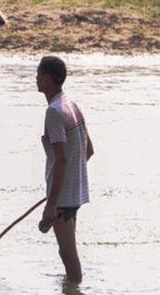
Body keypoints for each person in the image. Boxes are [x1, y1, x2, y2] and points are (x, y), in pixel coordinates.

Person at [35, 55, 94, 284]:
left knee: (68, 255)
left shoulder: (54, 112)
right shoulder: (71, 104)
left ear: (47, 79)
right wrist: (67, 183)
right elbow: (88, 150)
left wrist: (52, 202)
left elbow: (61, 159)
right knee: (67, 252)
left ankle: (76, 287)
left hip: (62, 199)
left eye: (38, 74)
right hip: (73, 194)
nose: (36, 78)